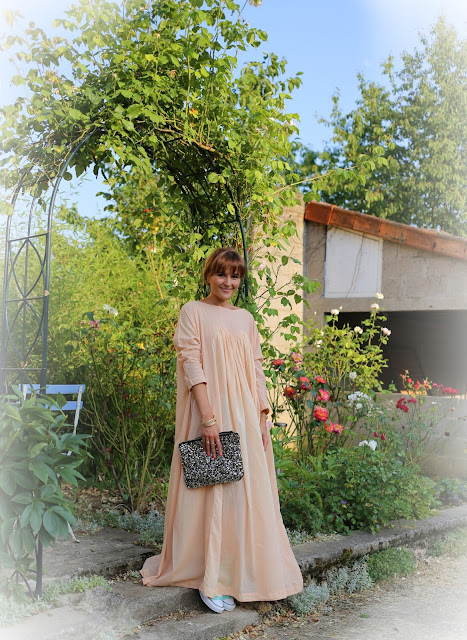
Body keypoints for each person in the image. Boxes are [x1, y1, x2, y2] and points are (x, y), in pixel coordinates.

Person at [140, 247, 303, 612]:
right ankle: (208, 574)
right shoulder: (193, 311)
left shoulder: (246, 319)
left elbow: (257, 368)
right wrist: (208, 418)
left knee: (243, 493)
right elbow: (191, 362)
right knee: (210, 488)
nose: (228, 282)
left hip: (245, 416)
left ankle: (236, 571)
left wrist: (262, 416)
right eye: (221, 274)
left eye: (235, 276)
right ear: (208, 276)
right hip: (208, 412)